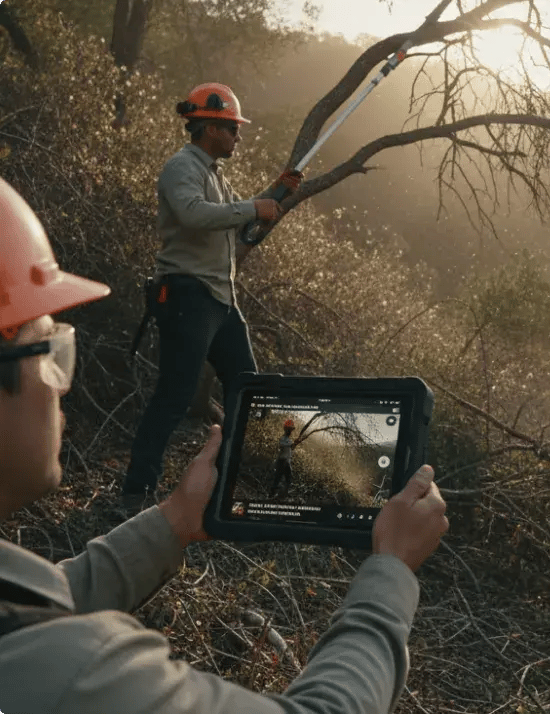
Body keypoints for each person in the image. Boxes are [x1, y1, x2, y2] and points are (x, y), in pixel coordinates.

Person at [0, 177, 450, 713]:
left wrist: (174, 520)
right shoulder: (76, 676)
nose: (61, 383)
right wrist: (391, 574)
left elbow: (36, 602)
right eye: (49, 351)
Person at [121, 82, 302, 513]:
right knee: (175, 395)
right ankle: (136, 492)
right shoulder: (181, 168)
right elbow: (194, 214)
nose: (238, 137)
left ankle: (222, 487)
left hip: (221, 300)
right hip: (187, 294)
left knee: (248, 389)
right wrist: (254, 207)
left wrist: (274, 194)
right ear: (209, 127)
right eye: (232, 129)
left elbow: (232, 222)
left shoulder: (216, 176)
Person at [270, 418, 309, 499]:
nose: (290, 431)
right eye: (289, 430)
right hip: (282, 461)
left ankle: (282, 496)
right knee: (278, 480)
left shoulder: (288, 440)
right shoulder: (283, 439)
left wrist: (297, 442)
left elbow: (291, 448)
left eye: (291, 430)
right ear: (286, 430)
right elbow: (285, 445)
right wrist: (294, 443)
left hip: (286, 462)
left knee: (287, 480)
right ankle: (272, 496)